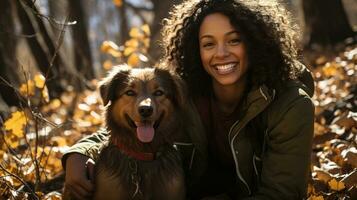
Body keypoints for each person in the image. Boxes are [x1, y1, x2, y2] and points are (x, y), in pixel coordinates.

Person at [62, 0, 315, 199]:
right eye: (208, 44)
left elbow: (282, 194)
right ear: (196, 49)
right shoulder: (182, 93)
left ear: (257, 42)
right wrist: (77, 153)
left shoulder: (291, 106)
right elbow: (128, 129)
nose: (221, 53)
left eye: (234, 40)